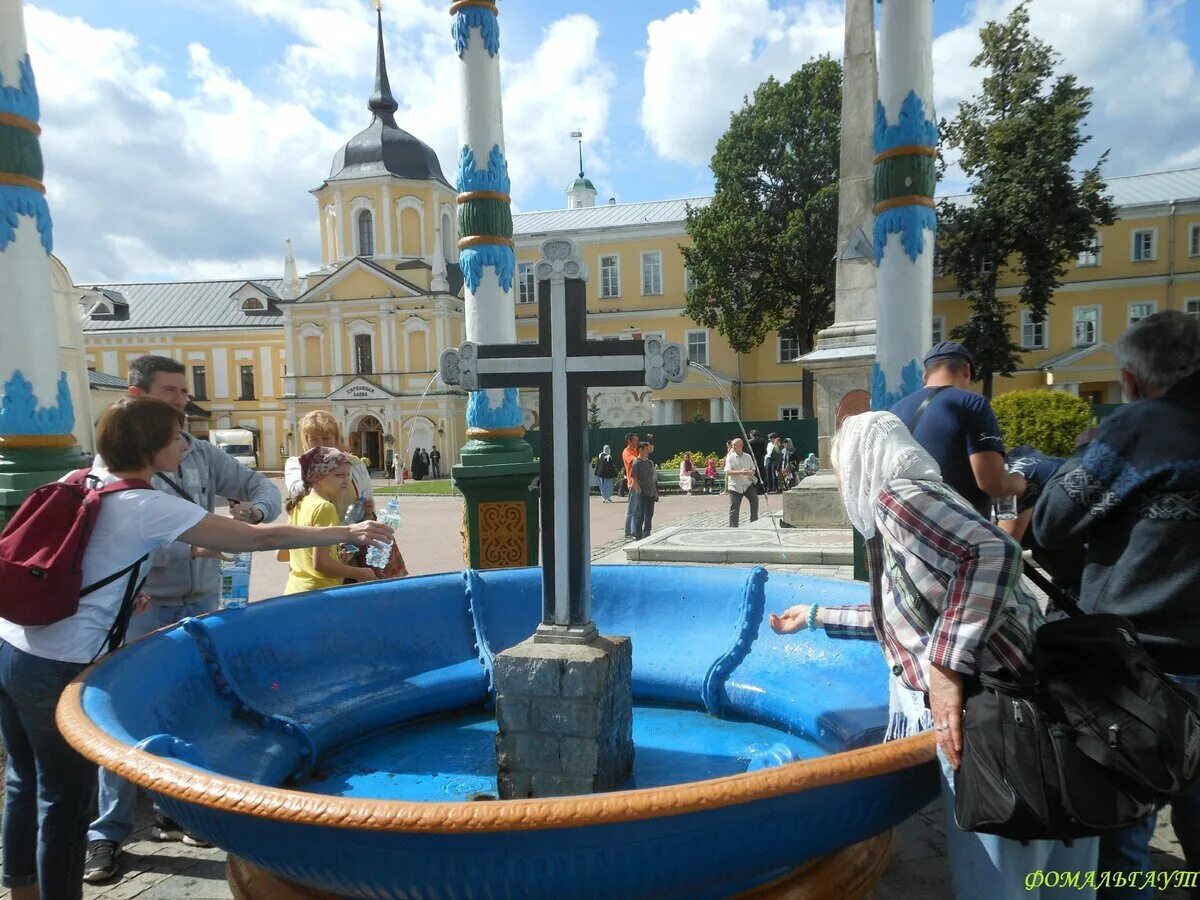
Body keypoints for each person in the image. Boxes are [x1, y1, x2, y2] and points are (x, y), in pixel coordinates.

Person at [0, 398, 391, 900]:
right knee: (64, 800)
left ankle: (21, 891)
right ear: (149, 449)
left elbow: (88, 556)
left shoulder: (87, 479)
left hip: (13, 644)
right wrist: (349, 530)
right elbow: (254, 536)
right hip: (57, 664)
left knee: (23, 782)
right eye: (176, 438)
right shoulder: (147, 504)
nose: (186, 445)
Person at [770, 411, 1095, 900]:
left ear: (862, 462)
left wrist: (944, 667)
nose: (841, 483)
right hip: (1032, 706)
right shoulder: (924, 496)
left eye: (841, 469)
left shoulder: (897, 498)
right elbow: (910, 616)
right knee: (1057, 875)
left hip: (995, 719)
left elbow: (994, 553)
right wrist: (814, 616)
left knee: (996, 878)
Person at [86, 356, 282, 878]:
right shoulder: (110, 471)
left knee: (194, 704)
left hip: (202, 602)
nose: (182, 399)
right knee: (123, 711)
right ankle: (106, 832)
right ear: (136, 396)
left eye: (181, 390)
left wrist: (255, 512)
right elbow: (124, 539)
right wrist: (194, 547)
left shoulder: (197, 452)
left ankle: (182, 808)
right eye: (170, 392)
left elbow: (264, 492)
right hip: (142, 607)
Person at [1034, 310, 1200, 897]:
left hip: (1143, 667)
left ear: (1130, 379)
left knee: (1125, 833)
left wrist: (1083, 453)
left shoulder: (1143, 427)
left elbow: (1053, 523)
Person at [889, 342, 1026, 520]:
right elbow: (993, 483)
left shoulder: (896, 410)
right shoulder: (972, 403)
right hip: (956, 533)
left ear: (925, 375)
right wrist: (1018, 484)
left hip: (907, 528)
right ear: (967, 370)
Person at [285, 447, 381, 594]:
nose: (346, 481)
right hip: (319, 592)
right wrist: (361, 573)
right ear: (318, 477)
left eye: (348, 475)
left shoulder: (300, 503)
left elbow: (284, 554)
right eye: (339, 475)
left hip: (295, 589)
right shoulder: (325, 507)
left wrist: (337, 558)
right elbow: (321, 564)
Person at [284, 411, 373, 514]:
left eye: (326, 438)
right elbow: (296, 491)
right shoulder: (296, 464)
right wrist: (322, 468)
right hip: (313, 527)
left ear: (336, 439)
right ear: (306, 441)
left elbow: (367, 499)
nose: (321, 444)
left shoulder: (355, 465)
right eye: (314, 439)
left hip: (350, 528)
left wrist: (368, 510)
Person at [724, 438, 759, 527]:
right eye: (732, 445)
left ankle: (754, 522)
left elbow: (753, 469)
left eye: (735, 445)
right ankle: (733, 527)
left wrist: (750, 472)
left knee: (755, 499)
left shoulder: (748, 456)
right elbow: (728, 472)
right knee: (734, 507)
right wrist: (741, 472)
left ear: (741, 445)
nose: (733, 447)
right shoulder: (730, 457)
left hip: (747, 485)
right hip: (735, 486)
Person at [629, 442, 658, 540]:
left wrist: (655, 492)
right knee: (640, 514)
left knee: (649, 514)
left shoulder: (649, 462)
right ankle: (638, 536)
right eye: (646, 449)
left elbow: (652, 478)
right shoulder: (636, 463)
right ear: (640, 450)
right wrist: (639, 490)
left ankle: (647, 533)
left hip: (651, 491)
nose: (647, 451)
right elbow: (634, 477)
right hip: (642, 492)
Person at [621, 433, 640, 538]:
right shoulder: (627, 452)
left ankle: (634, 530)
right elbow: (635, 460)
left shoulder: (635, 451)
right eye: (635, 440)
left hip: (638, 482)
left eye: (637, 440)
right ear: (629, 440)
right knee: (631, 508)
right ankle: (628, 532)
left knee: (637, 508)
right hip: (632, 483)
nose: (637, 442)